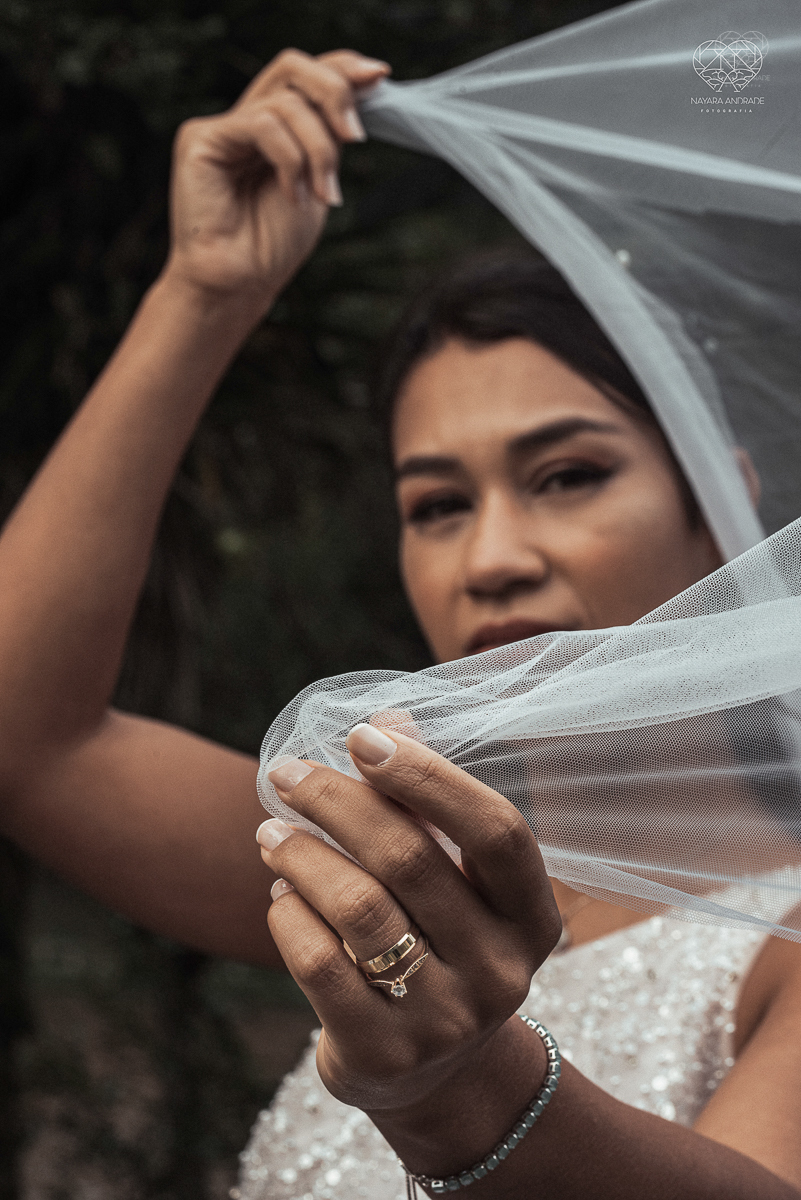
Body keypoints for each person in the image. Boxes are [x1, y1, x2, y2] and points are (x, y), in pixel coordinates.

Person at [0, 45, 799, 1200]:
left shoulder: (787, 931)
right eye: (436, 504)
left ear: (719, 503)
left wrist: (462, 1094)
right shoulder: (381, 870)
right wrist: (205, 291)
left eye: (567, 475)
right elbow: (31, 738)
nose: (492, 557)